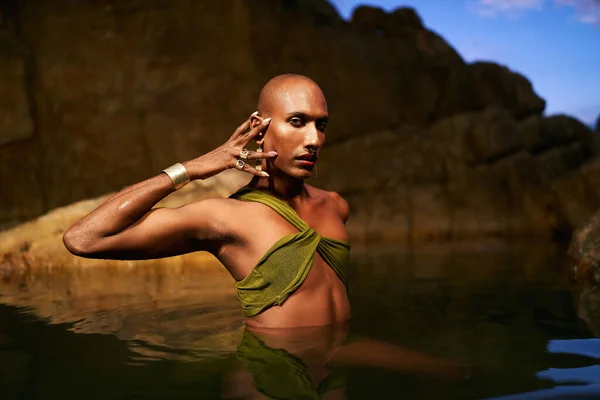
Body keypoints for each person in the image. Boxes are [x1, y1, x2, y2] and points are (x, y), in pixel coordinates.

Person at [63, 73, 351, 329]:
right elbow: (83, 239)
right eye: (297, 122)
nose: (314, 139)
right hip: (277, 373)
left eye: (321, 125)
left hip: (335, 369)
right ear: (259, 128)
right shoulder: (225, 217)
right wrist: (192, 168)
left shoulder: (335, 206)